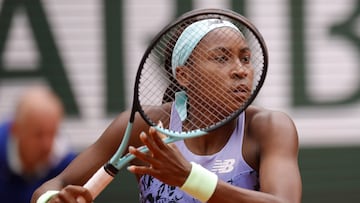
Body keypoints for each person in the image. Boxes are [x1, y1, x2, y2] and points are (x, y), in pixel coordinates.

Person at [32, 17, 302, 203]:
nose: (241, 70)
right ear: (184, 75)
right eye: (221, 58)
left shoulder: (269, 127)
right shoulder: (142, 126)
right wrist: (52, 200)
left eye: (245, 58)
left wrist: (190, 178)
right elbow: (52, 186)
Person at [0, 86, 77, 203]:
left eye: (52, 134)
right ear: (16, 130)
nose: (46, 145)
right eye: (38, 135)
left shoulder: (68, 164)